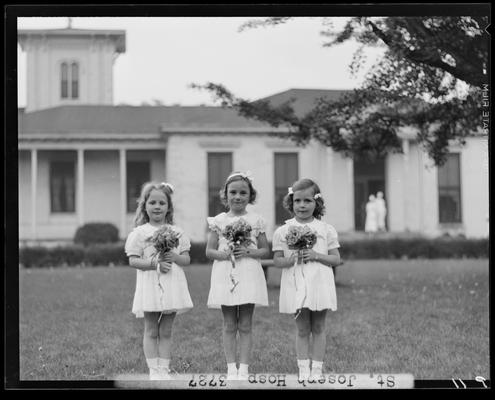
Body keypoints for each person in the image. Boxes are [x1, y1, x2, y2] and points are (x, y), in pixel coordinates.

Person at [272, 178, 341, 381]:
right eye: (298, 201)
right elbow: (277, 261)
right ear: (291, 203)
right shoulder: (283, 231)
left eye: (308, 201)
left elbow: (336, 259)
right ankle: (303, 370)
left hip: (319, 281)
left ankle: (317, 370)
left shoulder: (325, 229)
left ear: (316, 203)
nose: (302, 205)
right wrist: (290, 259)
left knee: (319, 327)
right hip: (296, 282)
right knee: (302, 328)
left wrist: (316, 255)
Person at [125, 181, 193, 380]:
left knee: (166, 330)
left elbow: (186, 259)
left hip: (172, 283)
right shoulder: (140, 233)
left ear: (168, 207)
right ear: (145, 205)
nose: (157, 207)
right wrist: (154, 264)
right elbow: (133, 260)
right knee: (151, 329)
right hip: (150, 285)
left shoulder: (177, 232)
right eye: (152, 202)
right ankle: (153, 370)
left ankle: (164, 369)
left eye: (162, 203)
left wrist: (175, 258)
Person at [206, 171, 269, 380]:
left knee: (245, 323)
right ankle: (231, 367)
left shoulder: (255, 220)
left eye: (243, 192)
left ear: (250, 196)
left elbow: (264, 250)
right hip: (226, 272)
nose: (238, 196)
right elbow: (209, 251)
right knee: (229, 323)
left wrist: (248, 251)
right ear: (225, 195)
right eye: (233, 192)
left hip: (249, 271)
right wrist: (223, 254)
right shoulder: (219, 221)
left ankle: (244, 368)